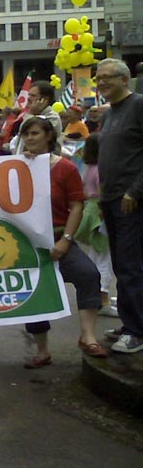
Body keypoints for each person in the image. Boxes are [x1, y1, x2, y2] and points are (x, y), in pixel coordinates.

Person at [17, 116, 108, 368]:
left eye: (35, 133)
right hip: (29, 244)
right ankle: (42, 350)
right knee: (34, 291)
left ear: (48, 135)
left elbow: (76, 205)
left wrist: (66, 240)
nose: (30, 138)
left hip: (59, 237)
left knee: (88, 275)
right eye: (26, 134)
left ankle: (88, 337)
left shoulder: (65, 168)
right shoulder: (14, 167)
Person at [95, 59, 143, 353]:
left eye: (107, 77)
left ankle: (137, 332)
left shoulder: (138, 105)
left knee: (130, 266)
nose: (101, 83)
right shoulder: (109, 114)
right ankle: (130, 323)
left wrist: (135, 190)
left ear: (125, 79)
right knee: (120, 265)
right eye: (98, 78)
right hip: (111, 200)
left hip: (131, 200)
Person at [77, 133, 117, 317]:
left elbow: (86, 192)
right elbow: (103, 193)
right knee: (105, 258)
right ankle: (103, 299)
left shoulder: (88, 168)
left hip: (90, 210)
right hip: (100, 212)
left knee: (96, 255)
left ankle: (95, 295)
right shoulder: (101, 169)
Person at [13, 80, 62, 154]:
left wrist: (31, 114)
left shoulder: (53, 117)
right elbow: (21, 135)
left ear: (44, 100)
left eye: (33, 96)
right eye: (29, 95)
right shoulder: (30, 114)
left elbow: (26, 129)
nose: (28, 98)